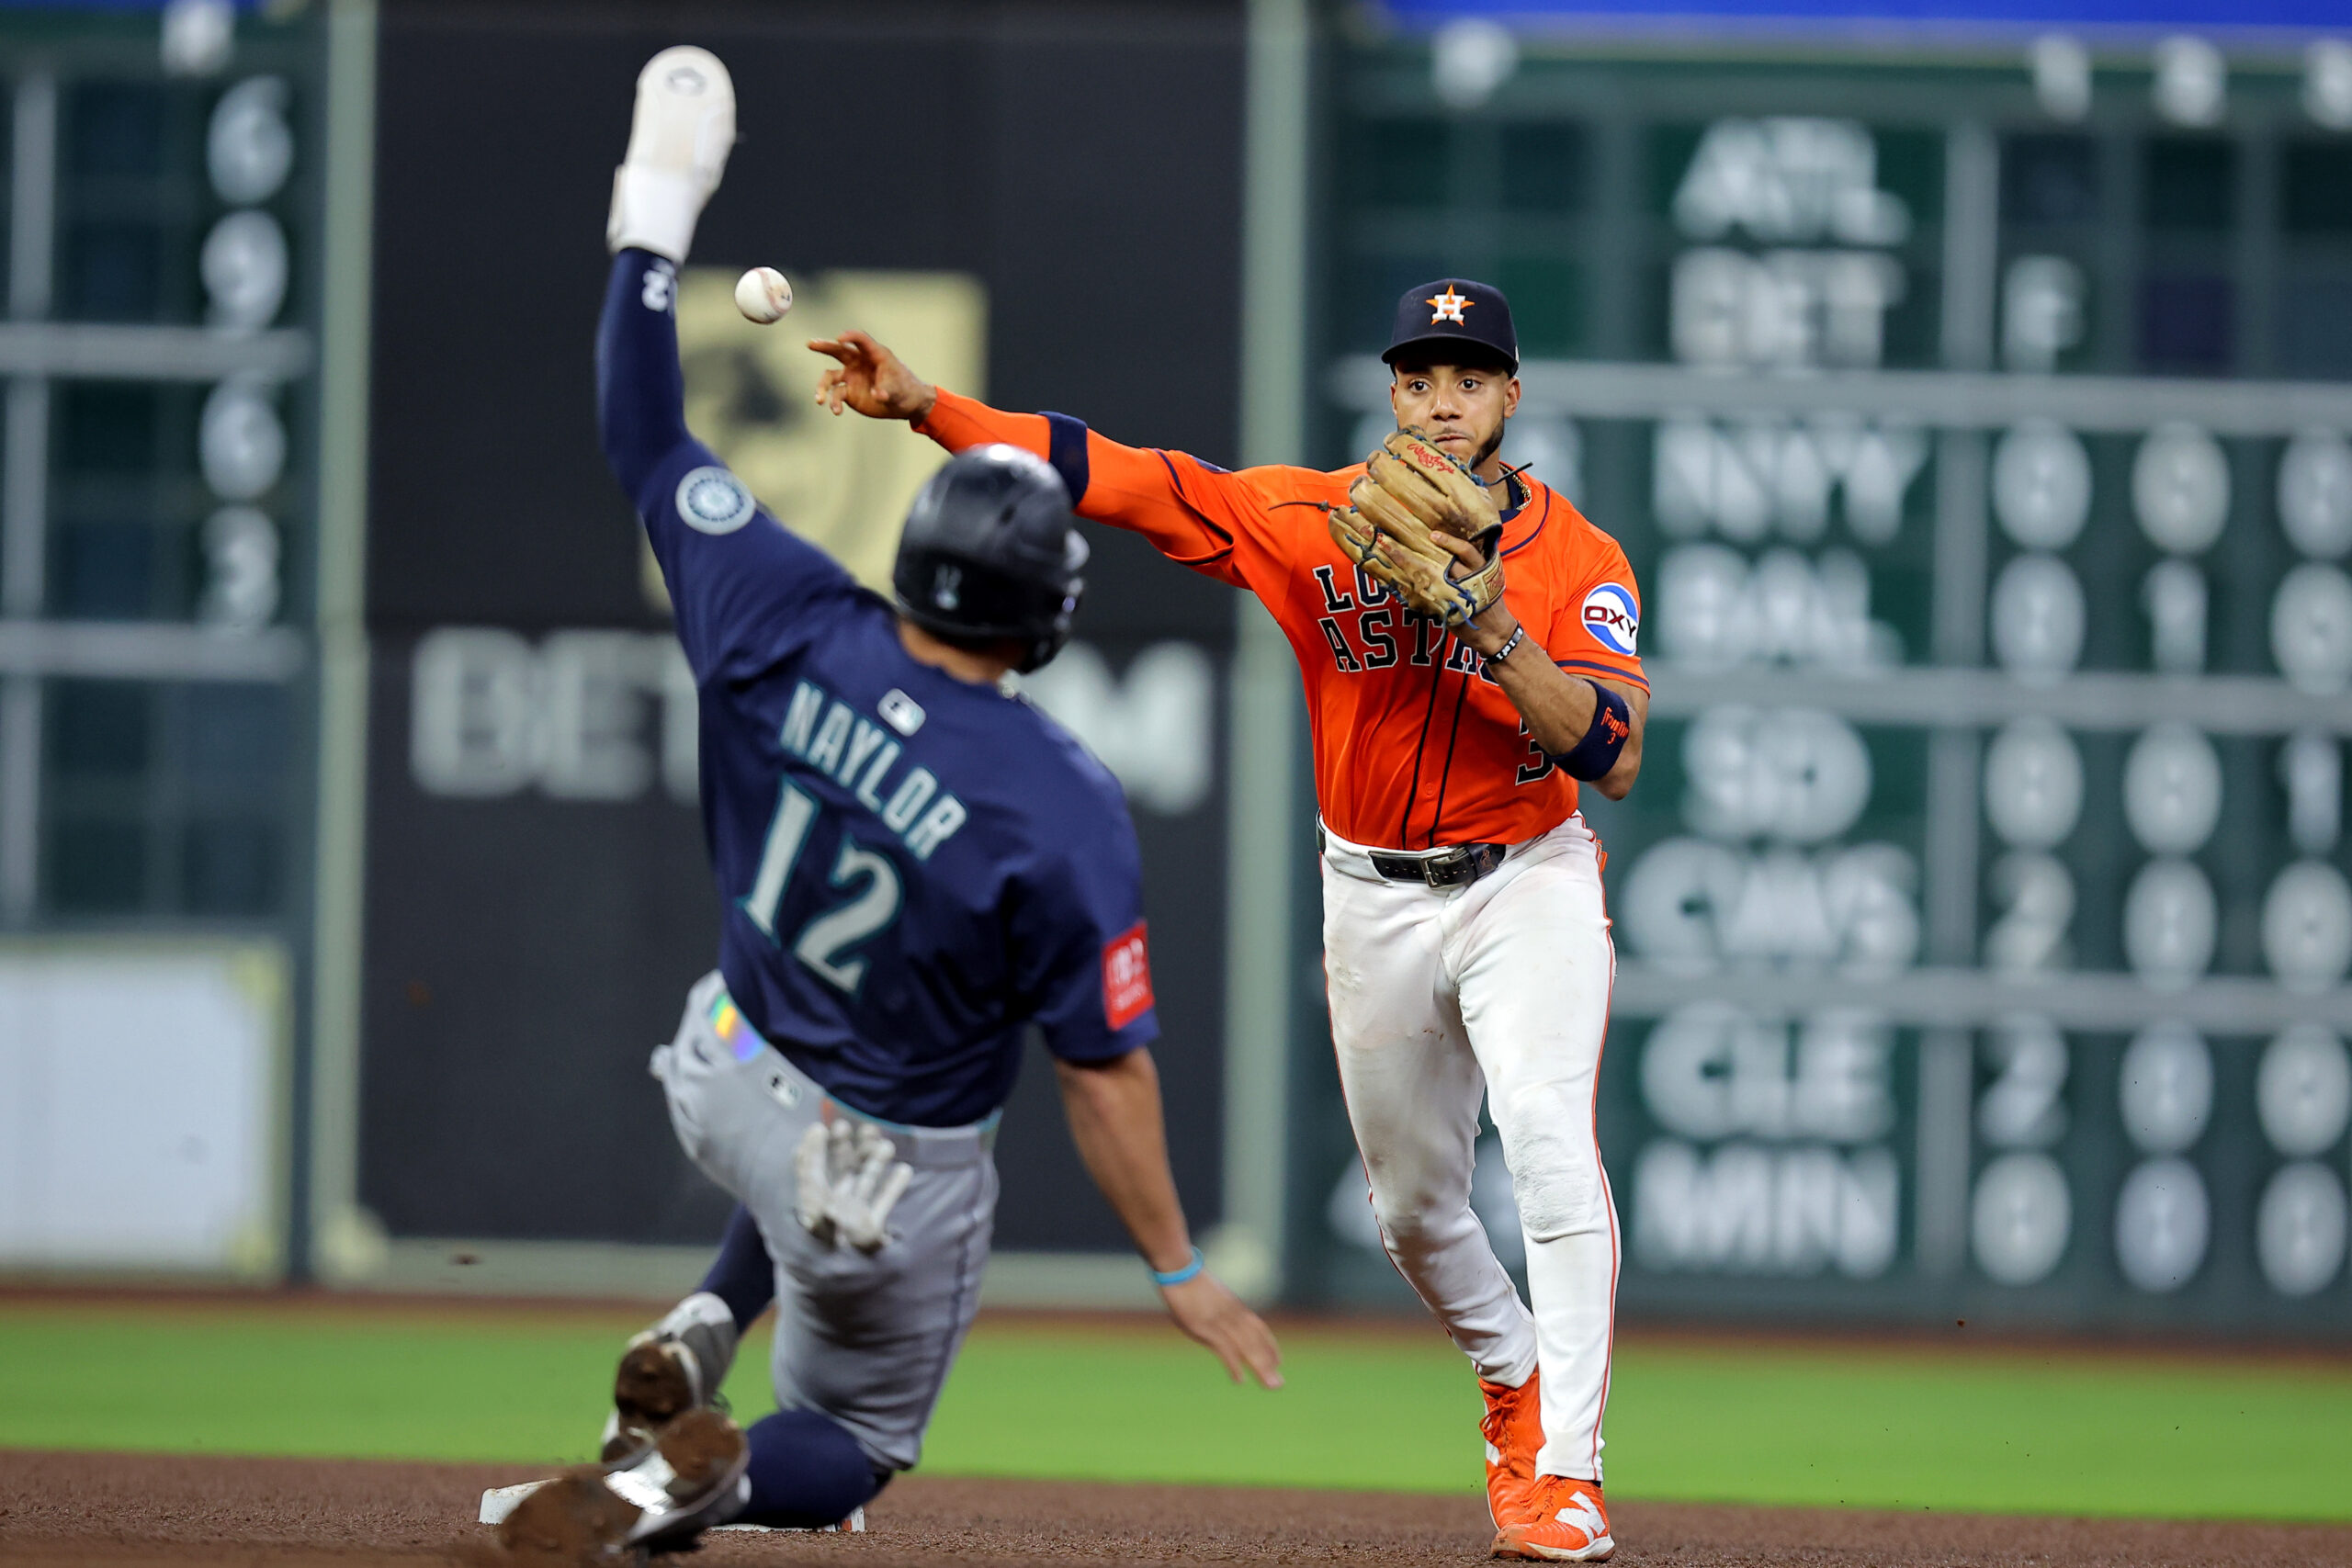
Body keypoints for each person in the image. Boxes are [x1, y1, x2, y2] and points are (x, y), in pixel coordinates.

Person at [541, 44, 1281, 1551]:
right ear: (1047, 619)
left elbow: (642, 433)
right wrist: (1176, 1267)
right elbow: (1102, 1078)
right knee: (860, 1444)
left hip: (720, 1059)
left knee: (790, 1119)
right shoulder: (1058, 806)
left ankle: (700, 1322)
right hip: (874, 1176)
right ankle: (683, 1481)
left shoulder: (780, 607)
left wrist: (656, 213)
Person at [810, 277, 1645, 1562]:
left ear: (1510, 396)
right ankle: (1510, 1373)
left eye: (1468, 379)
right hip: (1371, 891)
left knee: (1542, 1137)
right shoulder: (1309, 519)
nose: (1441, 403)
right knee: (1415, 1212)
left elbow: (1613, 751)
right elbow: (1117, 476)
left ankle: (1565, 1475)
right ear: (1392, 392)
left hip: (1527, 878)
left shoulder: (1578, 558)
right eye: (1420, 378)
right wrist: (928, 408)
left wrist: (1487, 627)